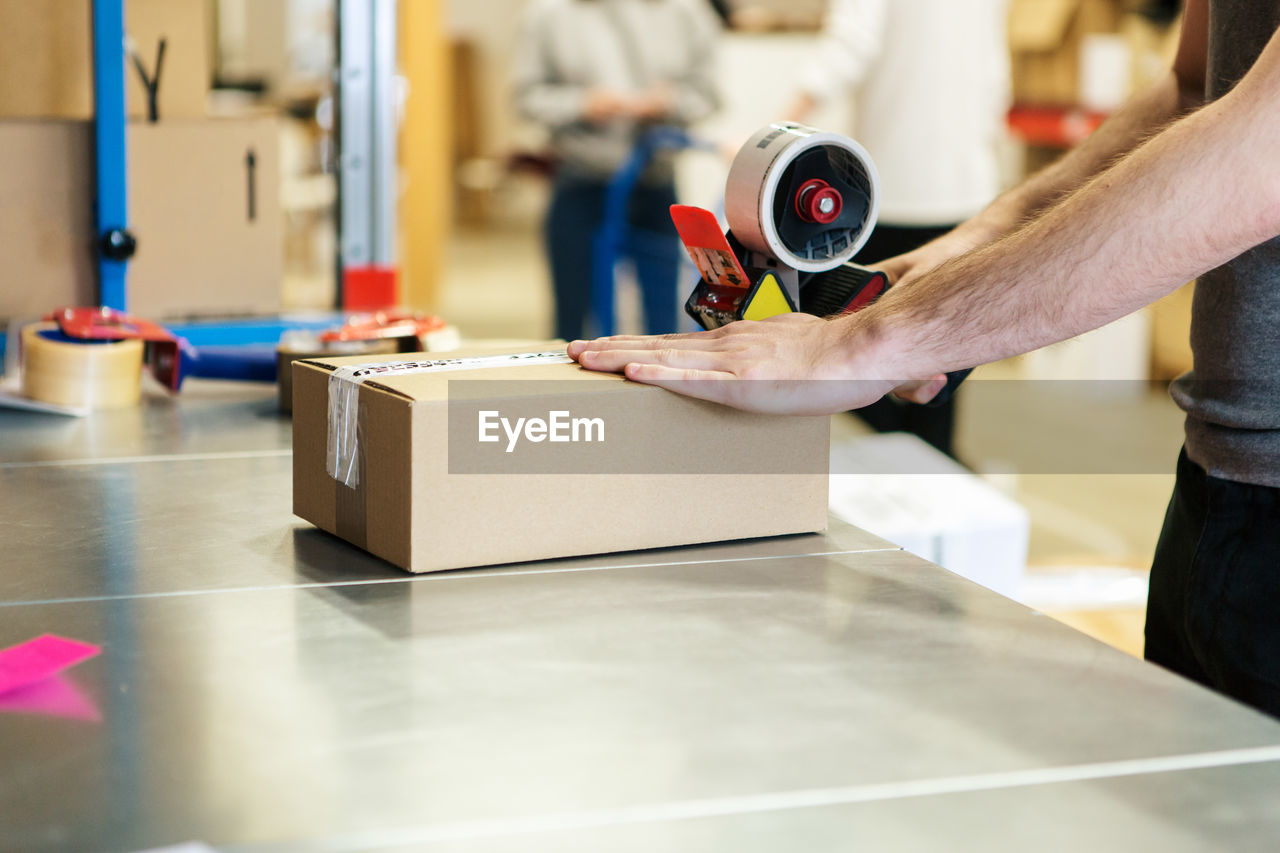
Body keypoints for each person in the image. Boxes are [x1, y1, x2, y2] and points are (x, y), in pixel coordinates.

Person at [569, 0, 1280, 717]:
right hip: (1216, 481)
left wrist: (869, 341)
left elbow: (1263, 147)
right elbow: (1195, 86)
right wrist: (961, 253)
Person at [782, 0, 1010, 457]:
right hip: (965, 189)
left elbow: (850, 45)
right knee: (940, 371)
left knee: (868, 368)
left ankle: (885, 500)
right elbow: (994, 75)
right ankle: (930, 490)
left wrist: (782, 124)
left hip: (891, 191)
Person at [512, 0, 721, 342]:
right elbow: (525, 97)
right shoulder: (549, 13)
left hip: (656, 180)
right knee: (572, 323)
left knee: (666, 322)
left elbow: (708, 93)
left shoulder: (687, 11)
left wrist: (668, 101)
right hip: (580, 180)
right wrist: (581, 104)